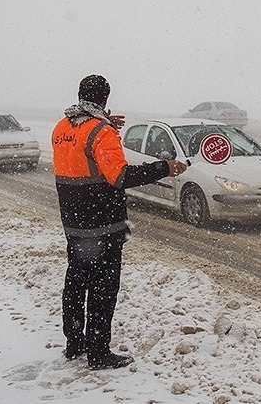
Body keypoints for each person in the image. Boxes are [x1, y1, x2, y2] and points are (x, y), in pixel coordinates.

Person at [52, 74, 188, 370]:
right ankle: (99, 353)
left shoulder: (62, 127)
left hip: (74, 222)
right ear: (105, 99)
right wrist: (164, 167)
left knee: (76, 282)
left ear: (80, 96)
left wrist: (104, 124)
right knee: (103, 288)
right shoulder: (101, 132)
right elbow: (120, 177)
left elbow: (81, 155)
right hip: (103, 224)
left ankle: (74, 343)